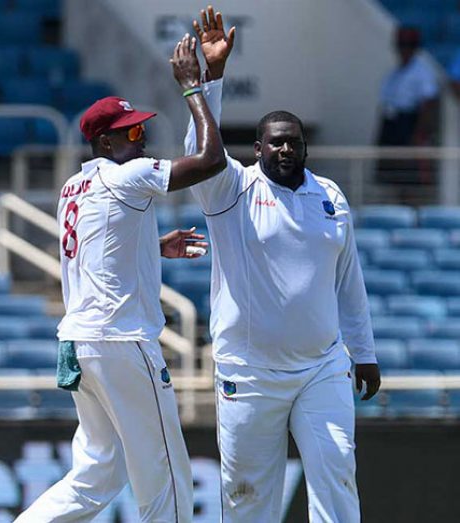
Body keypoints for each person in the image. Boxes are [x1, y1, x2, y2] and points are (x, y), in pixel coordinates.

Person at [15, 30, 226, 523]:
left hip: (80, 341)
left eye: (141, 128)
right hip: (122, 341)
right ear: (104, 141)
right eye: (131, 132)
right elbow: (212, 161)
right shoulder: (126, 175)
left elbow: (92, 252)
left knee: (98, 475)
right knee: (167, 476)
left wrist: (151, 248)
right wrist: (193, 88)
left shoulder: (76, 183)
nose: (142, 137)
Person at [184, 7, 380, 522]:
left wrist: (364, 351)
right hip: (249, 374)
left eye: (294, 140)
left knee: (338, 475)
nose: (286, 147)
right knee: (248, 497)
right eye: (276, 140)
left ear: (306, 145)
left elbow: (348, 282)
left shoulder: (331, 195)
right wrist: (212, 80)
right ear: (258, 148)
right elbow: (198, 153)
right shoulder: (231, 188)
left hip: (322, 367)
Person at [376, 27, 440, 184]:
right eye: (401, 45)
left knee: (409, 174)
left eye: (408, 45)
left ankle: (412, 206)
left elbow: (429, 103)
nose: (404, 50)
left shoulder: (422, 72)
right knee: (391, 173)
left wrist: (418, 133)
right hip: (392, 124)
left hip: (409, 124)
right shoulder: (395, 73)